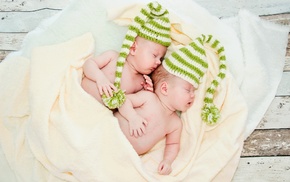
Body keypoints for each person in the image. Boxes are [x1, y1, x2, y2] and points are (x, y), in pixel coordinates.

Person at [114, 34, 227, 175]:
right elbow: (122, 100)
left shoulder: (175, 123)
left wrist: (167, 161)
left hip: (126, 156)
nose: (193, 95)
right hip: (111, 133)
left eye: (194, 90)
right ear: (165, 88)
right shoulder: (148, 98)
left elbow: (173, 145)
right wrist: (132, 118)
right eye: (187, 89)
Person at [81, 1, 171, 109]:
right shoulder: (113, 57)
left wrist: (148, 92)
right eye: (154, 55)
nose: (158, 62)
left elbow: (130, 105)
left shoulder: (141, 82)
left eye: (161, 58)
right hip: (81, 96)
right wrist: (100, 78)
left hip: (100, 114)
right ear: (133, 48)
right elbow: (89, 64)